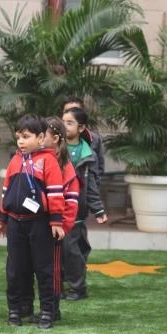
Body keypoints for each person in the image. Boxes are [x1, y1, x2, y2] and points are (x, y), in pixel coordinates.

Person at [0, 115, 67, 329]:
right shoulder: (15, 160)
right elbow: (6, 190)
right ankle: (15, 310)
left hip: (39, 223)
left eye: (26, 137)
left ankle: (47, 312)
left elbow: (55, 193)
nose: (21, 141)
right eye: (18, 137)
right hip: (15, 223)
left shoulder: (48, 161)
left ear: (40, 138)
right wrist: (2, 218)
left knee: (44, 269)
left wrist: (56, 221)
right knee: (15, 269)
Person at [60, 107, 106, 302]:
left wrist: (98, 209)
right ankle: (57, 286)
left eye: (70, 123)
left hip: (76, 209)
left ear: (81, 128)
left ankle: (78, 287)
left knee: (71, 249)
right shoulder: (55, 148)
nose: (65, 126)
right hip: (55, 206)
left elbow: (92, 183)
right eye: (63, 122)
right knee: (57, 249)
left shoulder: (87, 153)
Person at [61, 97, 107, 178]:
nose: (70, 113)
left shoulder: (94, 139)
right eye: (67, 111)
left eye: (75, 110)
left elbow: (98, 170)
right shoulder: (55, 139)